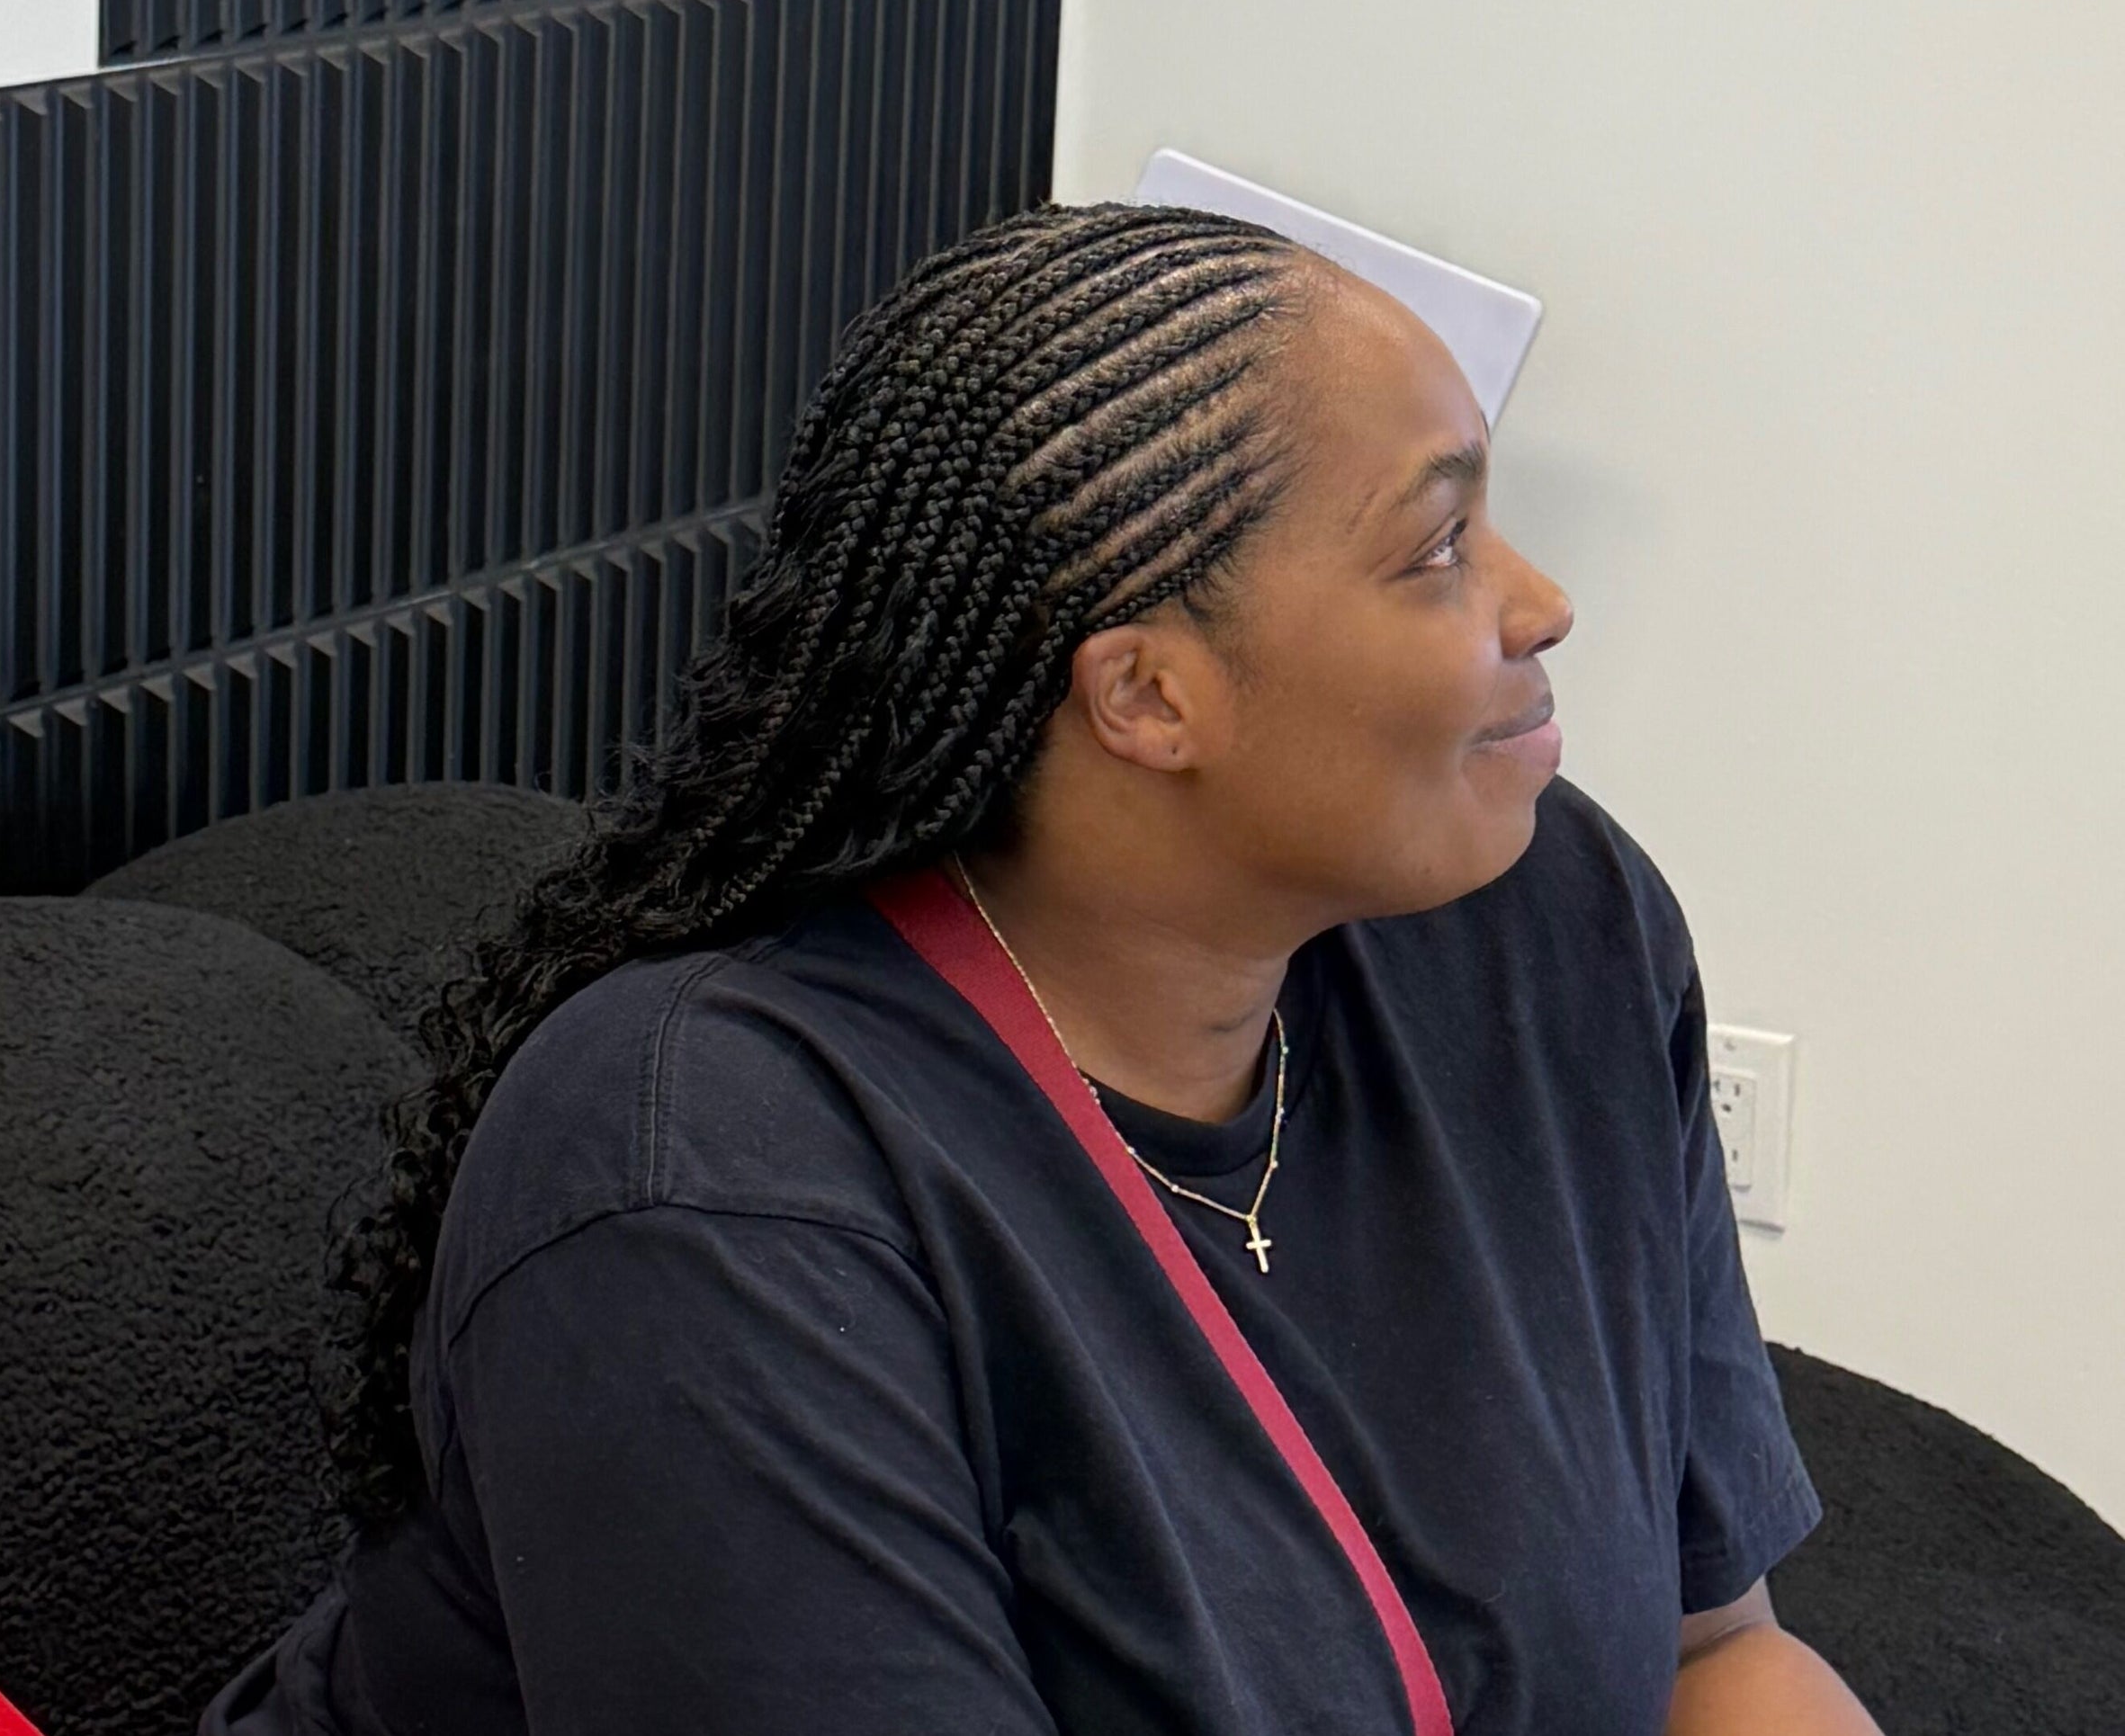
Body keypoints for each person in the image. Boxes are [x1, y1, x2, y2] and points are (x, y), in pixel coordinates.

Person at [198, 203, 1877, 1733]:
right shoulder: (702, 1187)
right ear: (1146, 696)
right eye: (1436, 550)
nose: (1543, 600)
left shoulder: (1544, 927)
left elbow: (1709, 1654)